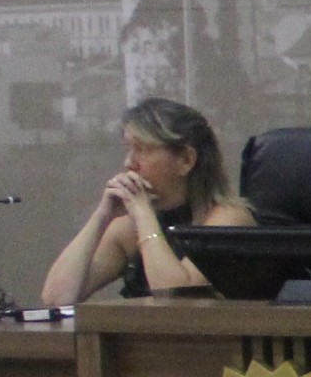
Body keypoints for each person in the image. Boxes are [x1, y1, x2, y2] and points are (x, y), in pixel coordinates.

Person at [39, 97, 252, 305]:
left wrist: (142, 212)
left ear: (186, 160)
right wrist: (102, 216)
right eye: (128, 149)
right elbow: (57, 298)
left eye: (142, 150)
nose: (129, 163)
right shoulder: (129, 229)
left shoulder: (228, 220)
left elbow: (175, 299)